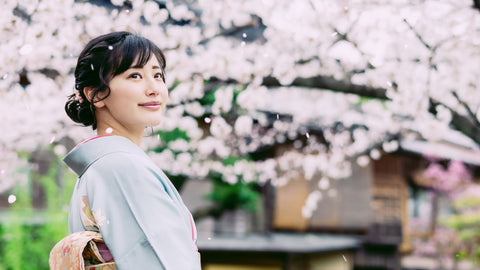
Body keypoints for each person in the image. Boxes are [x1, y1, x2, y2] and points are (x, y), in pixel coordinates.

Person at [63, 31, 201, 269]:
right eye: (135, 75)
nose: (154, 88)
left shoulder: (101, 168)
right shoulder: (120, 167)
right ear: (95, 94)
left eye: (157, 75)